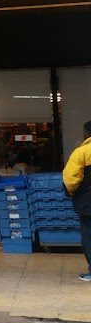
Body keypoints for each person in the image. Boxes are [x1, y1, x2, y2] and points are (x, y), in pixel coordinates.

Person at [62, 120, 91, 282]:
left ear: (87, 133)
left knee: (89, 236)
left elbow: (70, 179)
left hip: (87, 203)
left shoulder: (82, 152)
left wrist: (71, 193)